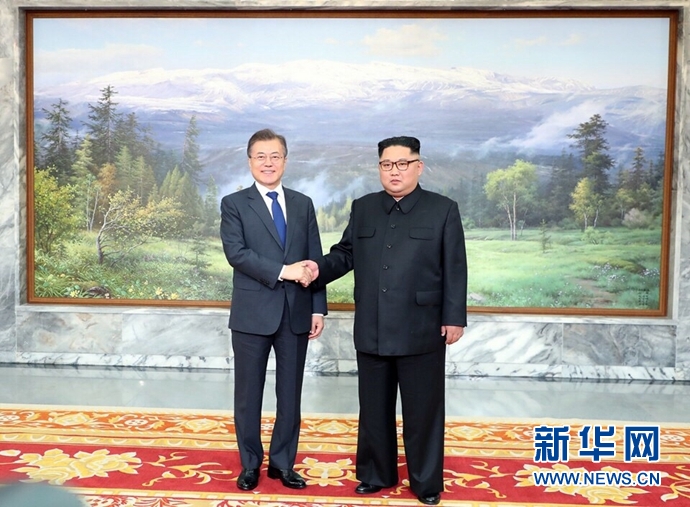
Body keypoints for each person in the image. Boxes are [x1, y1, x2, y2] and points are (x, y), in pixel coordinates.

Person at [304, 136, 467, 505]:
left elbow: (455, 267)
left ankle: (425, 482)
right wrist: (316, 269)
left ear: (418, 166)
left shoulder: (442, 209)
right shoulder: (364, 207)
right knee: (374, 408)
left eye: (402, 164)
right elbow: (345, 254)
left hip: (422, 327)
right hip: (372, 325)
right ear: (379, 167)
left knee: (423, 411)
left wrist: (454, 317)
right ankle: (376, 474)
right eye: (387, 164)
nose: (394, 171)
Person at [220, 128, 327, 491]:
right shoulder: (234, 204)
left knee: (290, 394)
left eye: (275, 156)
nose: (268, 163)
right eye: (261, 156)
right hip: (252, 314)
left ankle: (283, 464)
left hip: (296, 312)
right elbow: (237, 254)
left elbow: (314, 258)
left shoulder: (302, 203)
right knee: (248, 395)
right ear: (250, 161)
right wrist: (284, 271)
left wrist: (318, 309)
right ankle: (250, 464)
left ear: (285, 160)